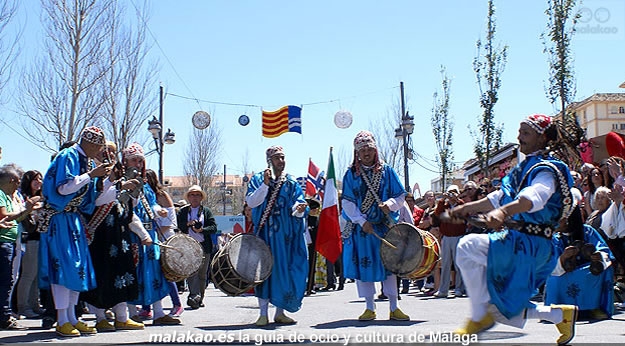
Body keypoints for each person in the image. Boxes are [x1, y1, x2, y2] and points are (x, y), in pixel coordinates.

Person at [449, 114, 578, 345]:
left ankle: (480, 316)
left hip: (534, 246)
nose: (519, 137)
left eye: (526, 132)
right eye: (519, 131)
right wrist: (469, 207)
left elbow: (533, 198)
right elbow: (499, 197)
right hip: (517, 241)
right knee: (497, 298)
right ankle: (559, 315)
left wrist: (502, 213)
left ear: (542, 138)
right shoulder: (522, 169)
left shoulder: (546, 170)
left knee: (469, 248)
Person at [39, 126, 112, 337]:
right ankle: (62, 319)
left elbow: (92, 199)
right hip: (59, 218)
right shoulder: (68, 155)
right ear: (90, 144)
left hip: (73, 219)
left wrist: (109, 181)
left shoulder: (87, 162)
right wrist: (91, 175)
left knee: (77, 268)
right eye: (99, 147)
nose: (100, 151)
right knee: (63, 267)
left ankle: (71, 317)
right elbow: (63, 188)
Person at [341, 130, 410, 321]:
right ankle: (369, 307)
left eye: (369, 149)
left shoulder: (387, 171)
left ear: (375, 150)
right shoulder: (351, 174)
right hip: (363, 230)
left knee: (389, 266)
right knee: (365, 266)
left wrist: (390, 205)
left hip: (384, 226)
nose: (366, 153)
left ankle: (394, 307)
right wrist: (361, 221)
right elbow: (347, 202)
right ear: (356, 152)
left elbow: (400, 195)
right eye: (361, 150)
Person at [80, 141, 145, 332]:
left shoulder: (118, 170)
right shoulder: (92, 171)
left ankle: (122, 317)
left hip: (119, 229)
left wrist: (132, 188)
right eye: (105, 150)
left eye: (112, 152)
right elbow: (95, 199)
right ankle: (100, 317)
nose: (108, 154)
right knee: (102, 272)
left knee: (122, 271)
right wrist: (119, 186)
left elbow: (130, 203)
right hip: (99, 230)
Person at [246, 146, 308, 326]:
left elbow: (299, 200)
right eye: (277, 158)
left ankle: (280, 312)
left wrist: (299, 208)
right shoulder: (258, 179)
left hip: (286, 236)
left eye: (283, 157)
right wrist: (265, 185)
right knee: (263, 271)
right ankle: (263, 313)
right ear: (269, 161)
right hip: (265, 234)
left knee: (285, 270)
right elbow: (251, 201)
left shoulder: (290, 182)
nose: (281, 161)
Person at [121, 143, 180, 326]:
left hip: (151, 233)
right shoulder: (123, 183)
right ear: (126, 161)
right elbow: (128, 209)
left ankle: (158, 312)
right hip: (132, 235)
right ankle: (132, 313)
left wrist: (159, 210)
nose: (137, 164)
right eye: (134, 160)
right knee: (134, 272)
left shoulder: (145, 184)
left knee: (155, 272)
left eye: (140, 160)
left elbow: (150, 205)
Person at [545, 206, 614, 320]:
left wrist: (598, 256)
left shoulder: (588, 231)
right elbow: (548, 263)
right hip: (563, 273)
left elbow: (604, 251)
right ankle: (558, 309)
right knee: (553, 278)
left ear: (568, 220)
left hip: (586, 270)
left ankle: (594, 307)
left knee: (602, 269)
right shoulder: (554, 238)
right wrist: (562, 258)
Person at [0, 165, 40, 330]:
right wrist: (25, 210)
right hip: (3, 242)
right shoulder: (1, 195)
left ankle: (5, 315)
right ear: (11, 180)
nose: (18, 185)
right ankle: (4, 316)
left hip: (11, 242)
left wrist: (27, 210)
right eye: (17, 182)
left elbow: (15, 219)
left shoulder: (9, 197)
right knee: (5, 281)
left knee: (9, 279)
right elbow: (4, 216)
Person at [176, 184, 216, 310]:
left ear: (201, 197)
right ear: (188, 197)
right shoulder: (183, 211)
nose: (195, 197)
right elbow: (178, 226)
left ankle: (200, 298)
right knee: (192, 272)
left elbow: (213, 227)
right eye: (192, 195)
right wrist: (188, 224)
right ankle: (194, 296)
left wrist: (201, 230)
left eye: (197, 195)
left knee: (202, 274)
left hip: (204, 246)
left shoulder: (206, 211)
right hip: (189, 247)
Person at [15, 170, 44, 319]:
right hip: (29, 239)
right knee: (28, 274)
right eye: (35, 180)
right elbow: (28, 224)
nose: (39, 182)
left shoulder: (42, 199)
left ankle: (35, 305)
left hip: (40, 239)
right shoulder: (24, 199)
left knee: (36, 275)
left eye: (40, 179)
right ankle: (23, 306)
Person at [431, 184, 466, 299]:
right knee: (445, 264)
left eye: (454, 192)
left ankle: (459, 288)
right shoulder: (444, 205)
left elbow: (465, 215)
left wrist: (457, 200)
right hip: (446, 237)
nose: (452, 195)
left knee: (458, 263)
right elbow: (437, 214)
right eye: (450, 192)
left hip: (458, 236)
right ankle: (443, 289)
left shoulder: (461, 204)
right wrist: (442, 199)